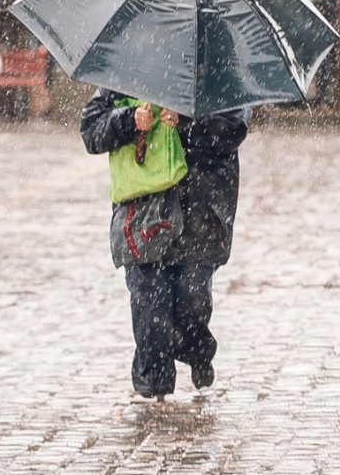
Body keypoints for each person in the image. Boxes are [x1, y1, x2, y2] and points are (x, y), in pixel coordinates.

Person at [80, 89, 249, 400]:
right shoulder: (127, 74)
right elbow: (91, 132)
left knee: (192, 298)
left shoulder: (216, 76)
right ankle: (154, 386)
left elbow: (233, 130)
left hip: (200, 211)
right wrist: (129, 121)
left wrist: (186, 122)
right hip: (143, 212)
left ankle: (197, 350)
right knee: (149, 301)